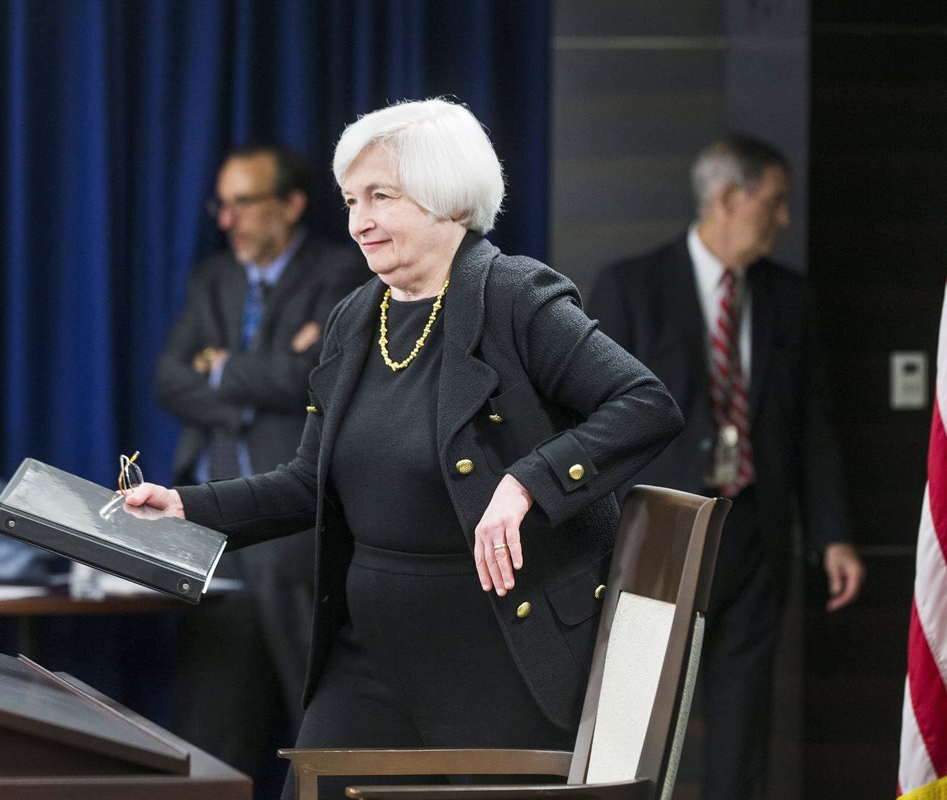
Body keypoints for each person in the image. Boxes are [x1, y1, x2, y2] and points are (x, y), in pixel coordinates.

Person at [130, 98, 684, 800]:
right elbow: (309, 483)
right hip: (370, 658)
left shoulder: (515, 296)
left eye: (380, 197)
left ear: (446, 200)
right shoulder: (357, 316)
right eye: (351, 199)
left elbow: (647, 405)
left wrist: (525, 483)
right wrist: (184, 506)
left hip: (498, 655)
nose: (358, 220)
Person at [587, 134, 866, 800]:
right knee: (633, 728)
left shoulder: (788, 298)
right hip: (657, 535)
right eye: (775, 201)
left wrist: (833, 533)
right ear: (728, 197)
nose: (784, 219)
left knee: (742, 726)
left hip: (753, 534)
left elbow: (812, 428)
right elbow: (593, 420)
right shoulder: (631, 286)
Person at [154, 143, 366, 795]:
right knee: (214, 729)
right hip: (209, 536)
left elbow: (318, 376)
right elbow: (167, 377)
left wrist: (219, 369)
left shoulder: (340, 274)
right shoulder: (214, 277)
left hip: (289, 530)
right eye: (223, 203)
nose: (228, 218)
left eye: (244, 201)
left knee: (315, 720)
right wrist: (256, 388)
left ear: (292, 204)